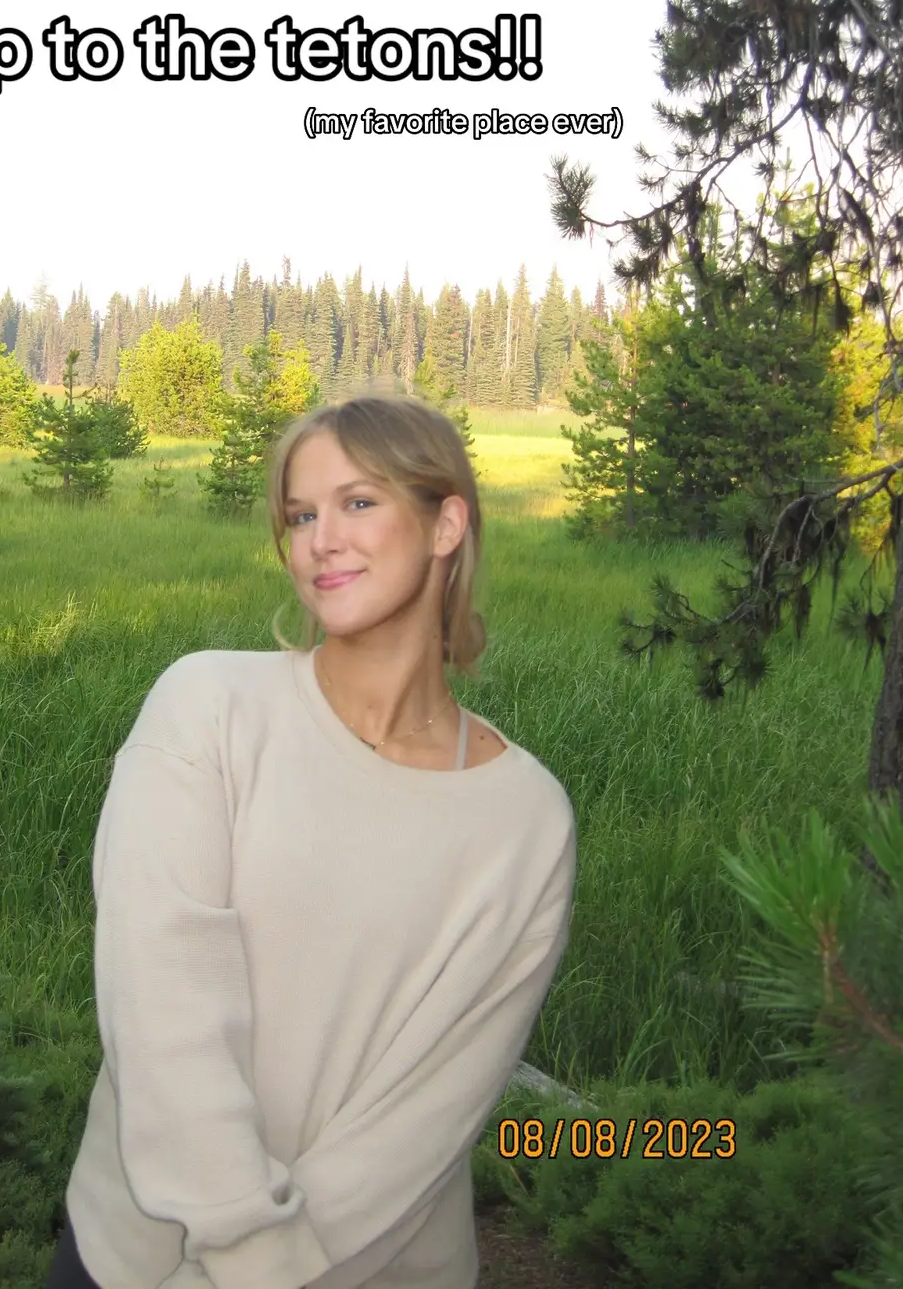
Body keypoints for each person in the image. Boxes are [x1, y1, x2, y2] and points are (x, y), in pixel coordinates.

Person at [47, 394, 577, 1289]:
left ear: (446, 522)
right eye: (300, 515)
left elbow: (431, 1110)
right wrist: (244, 1250)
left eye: (358, 502)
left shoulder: (526, 819)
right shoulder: (207, 709)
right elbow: (163, 1009)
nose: (320, 539)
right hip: (136, 1256)